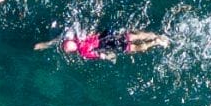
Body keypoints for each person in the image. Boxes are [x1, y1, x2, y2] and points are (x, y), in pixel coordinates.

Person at [35, 25, 168, 61]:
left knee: (134, 47)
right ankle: (155, 36)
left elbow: (99, 55)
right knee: (132, 36)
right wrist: (44, 44)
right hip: (107, 35)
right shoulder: (79, 37)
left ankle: (156, 42)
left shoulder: (83, 53)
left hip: (108, 45)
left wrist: (109, 57)